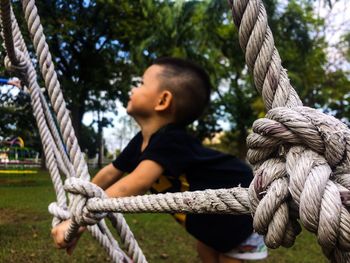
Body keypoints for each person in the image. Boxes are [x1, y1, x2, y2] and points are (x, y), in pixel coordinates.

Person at [51, 57, 267, 263]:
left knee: (227, 257)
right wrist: (75, 214)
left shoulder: (171, 139)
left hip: (239, 215)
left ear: (163, 101)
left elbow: (136, 182)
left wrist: (79, 224)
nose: (133, 88)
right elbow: (110, 173)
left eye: (141, 83)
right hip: (211, 223)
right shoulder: (141, 141)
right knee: (205, 249)